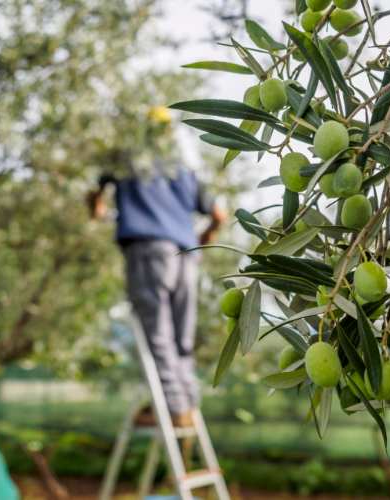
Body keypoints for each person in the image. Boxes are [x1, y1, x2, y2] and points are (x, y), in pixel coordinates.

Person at [89, 107, 226, 428]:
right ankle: (187, 405)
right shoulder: (183, 169)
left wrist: (95, 205)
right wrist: (204, 238)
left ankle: (176, 410)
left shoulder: (128, 162)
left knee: (159, 336)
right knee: (182, 339)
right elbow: (219, 215)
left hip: (149, 252)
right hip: (185, 254)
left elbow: (96, 195)